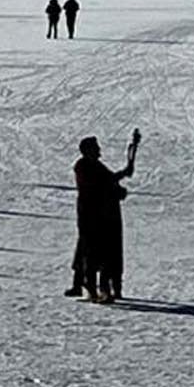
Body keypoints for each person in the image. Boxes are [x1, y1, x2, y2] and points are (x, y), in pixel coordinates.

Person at [69, 129, 139, 302]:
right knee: (92, 254)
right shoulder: (83, 167)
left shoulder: (95, 166)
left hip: (102, 218)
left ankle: (101, 288)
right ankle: (91, 288)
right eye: (96, 148)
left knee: (102, 253)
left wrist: (123, 177)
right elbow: (101, 184)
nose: (99, 151)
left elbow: (109, 181)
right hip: (91, 218)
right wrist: (121, 179)